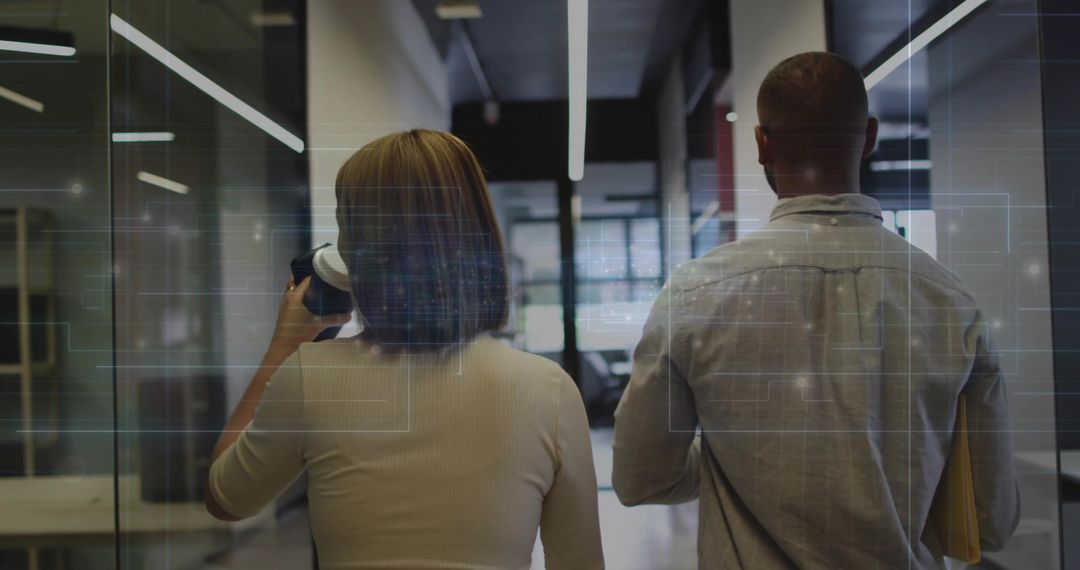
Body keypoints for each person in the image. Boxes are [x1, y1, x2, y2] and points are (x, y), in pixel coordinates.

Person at [612, 52, 1019, 569]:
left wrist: (736, 455)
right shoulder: (951, 302)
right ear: (869, 136)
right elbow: (991, 519)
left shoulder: (694, 295)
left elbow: (640, 477)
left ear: (761, 143)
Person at [206, 130, 604, 570]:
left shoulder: (309, 376)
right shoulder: (548, 390)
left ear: (356, 252)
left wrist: (284, 346)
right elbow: (580, 562)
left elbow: (226, 498)